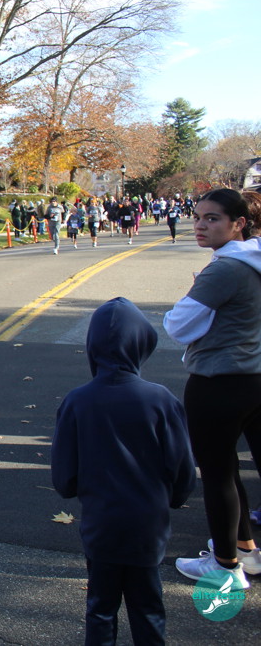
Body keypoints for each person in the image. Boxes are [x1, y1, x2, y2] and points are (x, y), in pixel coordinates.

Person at [52, 297, 196, 645]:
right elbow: (182, 469)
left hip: (101, 524)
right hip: (148, 525)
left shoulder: (77, 401)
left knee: (101, 608)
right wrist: (175, 498)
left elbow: (64, 480)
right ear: (142, 344)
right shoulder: (162, 401)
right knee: (148, 608)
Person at [163, 188, 261, 591]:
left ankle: (226, 567)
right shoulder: (253, 260)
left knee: (219, 475)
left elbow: (177, 325)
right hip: (254, 377)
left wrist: (197, 292)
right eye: (198, 217)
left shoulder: (225, 270)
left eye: (212, 218)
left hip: (218, 382)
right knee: (231, 472)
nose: (200, 226)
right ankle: (245, 550)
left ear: (238, 224)